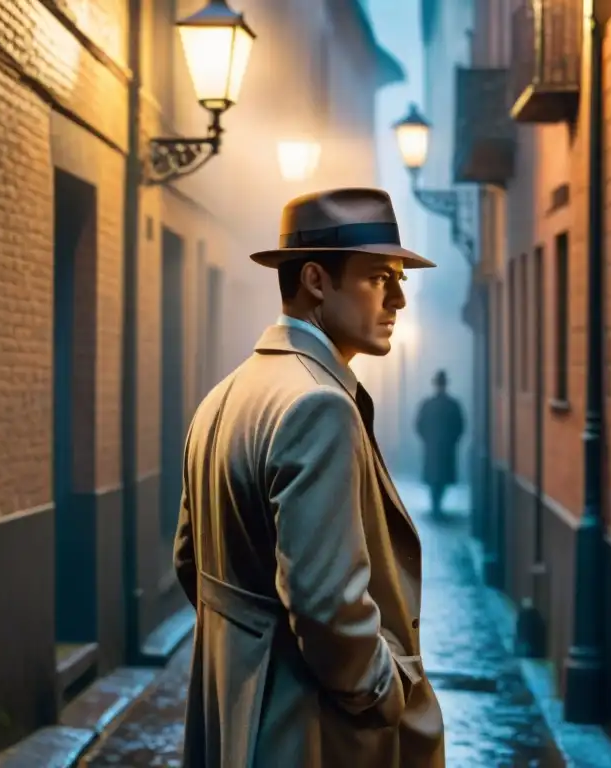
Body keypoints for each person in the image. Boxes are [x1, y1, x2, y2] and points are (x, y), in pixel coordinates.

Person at [173, 188, 445, 768]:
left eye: (400, 279)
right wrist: (384, 690)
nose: (398, 298)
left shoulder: (224, 396)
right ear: (317, 281)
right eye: (379, 277)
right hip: (306, 732)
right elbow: (327, 608)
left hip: (232, 716)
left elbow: (189, 560)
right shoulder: (317, 406)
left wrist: (243, 652)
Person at [414, 370, 465, 516]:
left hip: (438, 447)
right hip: (440, 448)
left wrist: (428, 439)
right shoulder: (449, 404)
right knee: (438, 479)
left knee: (437, 478)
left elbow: (419, 424)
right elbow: (460, 426)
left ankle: (436, 504)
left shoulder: (430, 404)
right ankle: (436, 505)